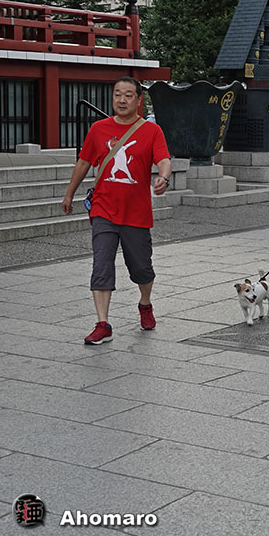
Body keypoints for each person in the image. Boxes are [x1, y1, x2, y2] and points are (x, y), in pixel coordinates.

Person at [62, 77, 171, 345]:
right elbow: (84, 162)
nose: (122, 100)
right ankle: (103, 324)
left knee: (141, 269)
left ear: (138, 100)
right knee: (101, 265)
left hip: (136, 213)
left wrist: (163, 177)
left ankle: (145, 303)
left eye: (128, 95)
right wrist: (69, 193)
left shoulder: (151, 131)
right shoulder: (99, 129)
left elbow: (164, 159)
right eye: (117, 94)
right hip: (103, 209)